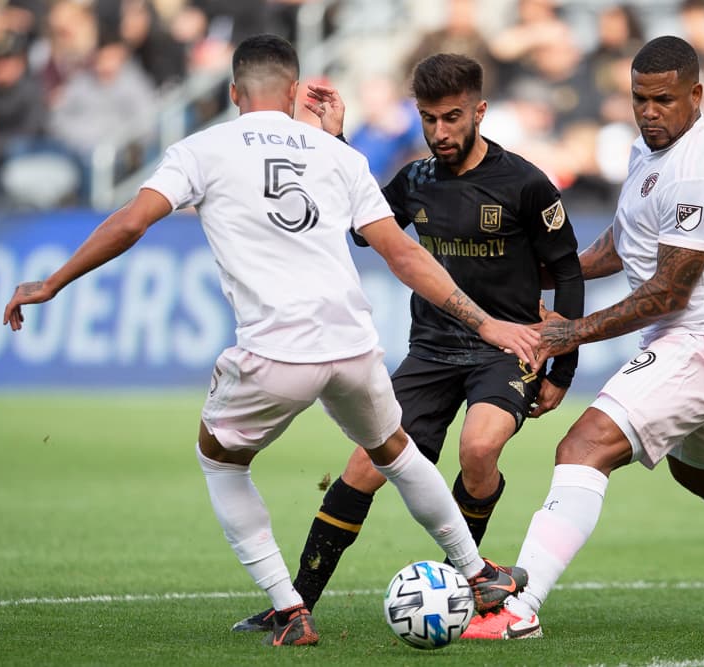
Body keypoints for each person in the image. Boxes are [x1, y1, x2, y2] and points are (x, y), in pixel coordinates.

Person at [2, 34, 534, 648]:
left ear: (232, 93)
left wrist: (54, 282)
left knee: (219, 459)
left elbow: (131, 221)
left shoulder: (200, 149)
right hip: (353, 346)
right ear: (292, 93)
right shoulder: (341, 156)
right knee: (396, 451)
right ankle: (478, 572)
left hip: (277, 350)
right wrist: (486, 322)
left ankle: (289, 608)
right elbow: (402, 254)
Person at [461, 35, 704, 641]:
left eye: (664, 100)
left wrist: (567, 334)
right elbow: (622, 244)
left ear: (696, 95)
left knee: (583, 447)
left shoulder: (696, 172)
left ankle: (521, 608)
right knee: (703, 473)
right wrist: (539, 273)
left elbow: (667, 293)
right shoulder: (647, 151)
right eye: (639, 99)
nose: (649, 111)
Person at [231, 52, 585, 633]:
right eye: (428, 119)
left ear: (479, 111)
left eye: (451, 118)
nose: (440, 132)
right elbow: (362, 226)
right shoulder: (415, 180)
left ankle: (465, 585)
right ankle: (294, 605)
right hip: (430, 352)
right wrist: (339, 139)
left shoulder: (525, 183)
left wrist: (560, 370)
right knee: (362, 469)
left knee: (478, 450)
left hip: (505, 351)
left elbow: (567, 273)